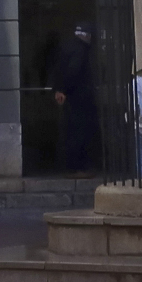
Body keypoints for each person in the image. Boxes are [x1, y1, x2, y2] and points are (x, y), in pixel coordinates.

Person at [50, 22, 99, 174]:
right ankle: (78, 167)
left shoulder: (66, 47)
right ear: (86, 35)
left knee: (71, 132)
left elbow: (58, 69)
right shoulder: (81, 50)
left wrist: (58, 89)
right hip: (79, 97)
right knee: (81, 133)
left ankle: (71, 166)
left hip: (70, 97)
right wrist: (64, 90)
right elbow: (73, 71)